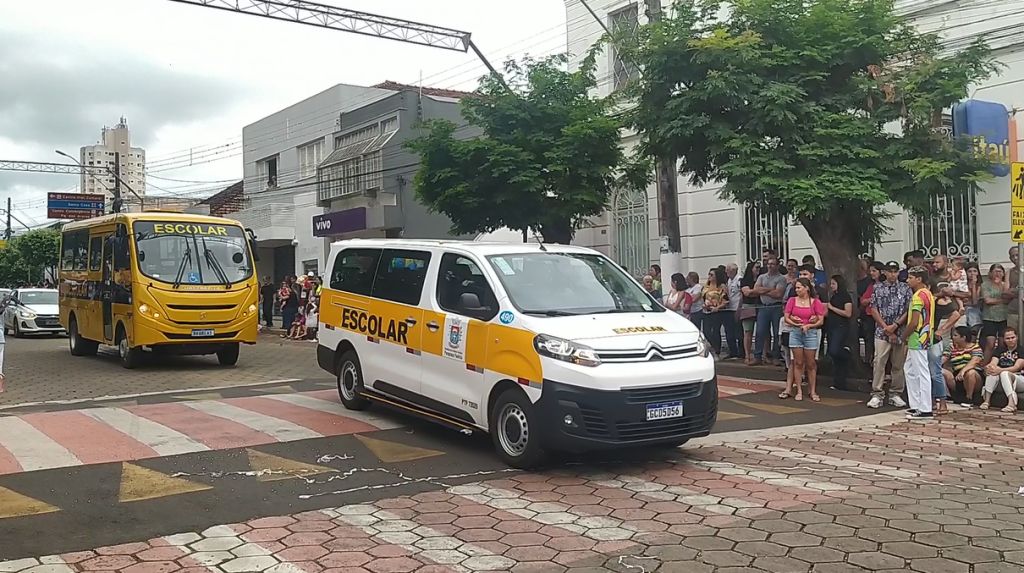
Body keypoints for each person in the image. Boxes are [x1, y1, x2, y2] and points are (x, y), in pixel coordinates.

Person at [867, 261, 913, 409]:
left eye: (895, 271)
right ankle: (877, 393)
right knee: (879, 362)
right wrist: (886, 327)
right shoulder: (877, 288)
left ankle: (896, 393)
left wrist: (896, 325)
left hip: (900, 331)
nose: (893, 274)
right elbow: (874, 309)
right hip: (882, 331)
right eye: (890, 271)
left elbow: (909, 310)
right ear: (885, 272)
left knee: (898, 364)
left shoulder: (905, 288)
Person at [782, 278, 825, 402]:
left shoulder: (815, 302)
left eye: (799, 287)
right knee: (798, 362)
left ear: (806, 288)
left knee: (811, 363)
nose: (797, 290)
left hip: (810, 333)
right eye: (796, 288)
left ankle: (812, 391)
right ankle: (799, 390)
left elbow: (821, 320)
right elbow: (786, 317)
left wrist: (810, 325)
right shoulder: (792, 300)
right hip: (796, 332)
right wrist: (794, 322)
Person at [903, 267, 935, 420]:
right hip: (926, 335)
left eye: (910, 278)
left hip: (917, 337)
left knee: (921, 372)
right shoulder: (928, 294)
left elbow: (914, 321)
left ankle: (925, 408)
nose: (907, 280)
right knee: (909, 369)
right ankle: (916, 404)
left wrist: (904, 335)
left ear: (919, 279)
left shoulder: (917, 297)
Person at [930, 281, 962, 415]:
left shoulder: (938, 301)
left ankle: (942, 402)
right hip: (920, 338)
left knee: (935, 372)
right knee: (926, 372)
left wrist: (942, 329)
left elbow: (956, 314)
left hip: (933, 338)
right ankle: (931, 401)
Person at [751, 256, 787, 366]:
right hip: (764, 306)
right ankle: (757, 356)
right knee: (760, 331)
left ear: (777, 266)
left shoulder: (781, 278)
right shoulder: (762, 277)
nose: (770, 266)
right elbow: (756, 290)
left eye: (772, 264)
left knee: (776, 332)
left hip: (776, 307)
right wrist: (771, 290)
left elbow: (778, 294)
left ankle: (776, 356)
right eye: (768, 264)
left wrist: (763, 290)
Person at [981, 326, 1024, 412]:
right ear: (1004, 340)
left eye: (1012, 337)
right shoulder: (999, 350)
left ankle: (1012, 404)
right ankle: (986, 401)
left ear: (1017, 337)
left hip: (1019, 379)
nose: (1010, 340)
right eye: (1008, 338)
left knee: (1004, 373)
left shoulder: (1021, 350)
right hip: (1002, 380)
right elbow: (993, 362)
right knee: (992, 371)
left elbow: (1016, 367)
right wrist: (990, 367)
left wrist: (1000, 370)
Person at [943, 326, 984, 408]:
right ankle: (944, 396)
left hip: (974, 376)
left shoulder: (975, 347)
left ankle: (969, 398)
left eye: (955, 335)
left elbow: (975, 361)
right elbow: (944, 358)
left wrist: (963, 371)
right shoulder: (951, 347)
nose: (953, 337)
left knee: (970, 372)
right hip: (957, 376)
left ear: (963, 337)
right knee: (941, 371)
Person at [826, 275, 854, 391]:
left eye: (834, 283)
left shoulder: (845, 296)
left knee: (835, 350)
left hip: (840, 326)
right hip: (831, 326)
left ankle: (846, 353)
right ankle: (839, 382)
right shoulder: (834, 296)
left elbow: (848, 313)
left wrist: (832, 308)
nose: (831, 286)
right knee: (834, 355)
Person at [980, 263, 1012, 362]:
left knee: (1003, 343)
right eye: (995, 271)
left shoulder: (1005, 285)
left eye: (1000, 271)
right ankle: (985, 364)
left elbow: (1009, 298)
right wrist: (1002, 300)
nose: (998, 274)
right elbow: (987, 300)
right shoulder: (985, 285)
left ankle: (1000, 362)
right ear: (990, 273)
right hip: (989, 317)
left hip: (1003, 317)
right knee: (990, 343)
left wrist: (999, 299)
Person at [859, 262, 884, 366]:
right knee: (869, 340)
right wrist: (872, 298)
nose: (872, 273)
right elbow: (863, 301)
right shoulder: (871, 285)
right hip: (870, 316)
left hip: (882, 317)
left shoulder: (885, 285)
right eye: (871, 271)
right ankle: (869, 362)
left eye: (874, 271)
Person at [701, 268, 729, 358]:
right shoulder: (706, 286)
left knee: (715, 331)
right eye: (709, 274)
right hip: (706, 311)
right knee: (706, 331)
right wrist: (704, 305)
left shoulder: (721, 287)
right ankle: (714, 346)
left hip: (717, 311)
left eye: (711, 275)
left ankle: (717, 351)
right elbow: (703, 298)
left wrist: (717, 307)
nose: (709, 276)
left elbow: (726, 300)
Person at [739, 261, 761, 364]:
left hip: (760, 305)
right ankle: (747, 355)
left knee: (762, 331)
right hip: (748, 306)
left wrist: (755, 292)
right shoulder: (745, 280)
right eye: (756, 267)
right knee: (748, 331)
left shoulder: (762, 278)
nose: (758, 269)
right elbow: (747, 293)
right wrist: (759, 291)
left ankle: (764, 354)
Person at [724, 263, 743, 359]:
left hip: (736, 308)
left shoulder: (739, 280)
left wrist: (739, 308)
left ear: (733, 270)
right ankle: (733, 351)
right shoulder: (729, 280)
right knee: (729, 331)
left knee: (738, 331)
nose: (726, 272)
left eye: (727, 270)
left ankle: (741, 352)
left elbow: (741, 295)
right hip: (729, 308)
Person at [964, 262, 983, 329]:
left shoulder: (980, 286)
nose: (972, 273)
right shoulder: (962, 284)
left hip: (974, 310)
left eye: (974, 271)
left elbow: (975, 302)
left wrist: (974, 285)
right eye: (969, 271)